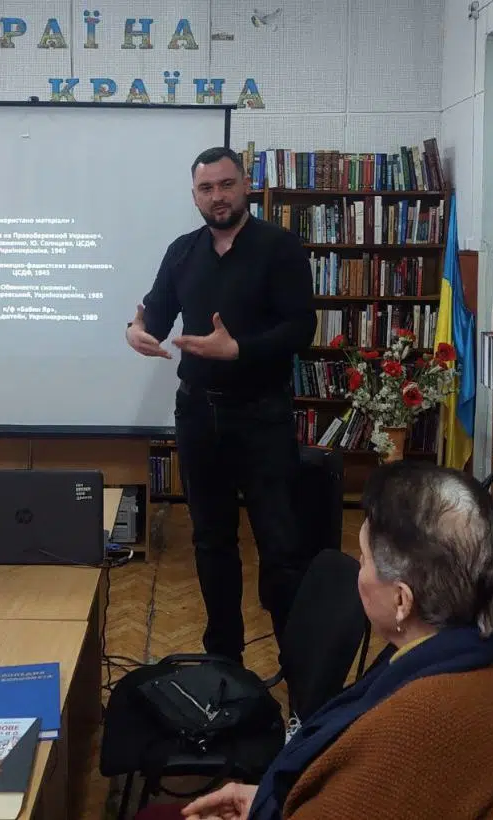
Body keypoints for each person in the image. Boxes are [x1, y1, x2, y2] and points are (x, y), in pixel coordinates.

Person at [177, 462, 493, 820]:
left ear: (401, 600)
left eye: (365, 560)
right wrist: (270, 802)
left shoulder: (418, 724)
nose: (359, 571)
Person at [126, 146, 316, 664]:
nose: (217, 196)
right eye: (206, 189)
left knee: (279, 546)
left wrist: (239, 350)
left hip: (261, 414)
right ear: (194, 196)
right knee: (211, 541)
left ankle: (298, 666)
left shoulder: (280, 247)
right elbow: (154, 316)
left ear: (245, 185)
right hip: (197, 415)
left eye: (226, 185)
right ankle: (224, 662)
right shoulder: (182, 252)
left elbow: (302, 329)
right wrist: (135, 331)